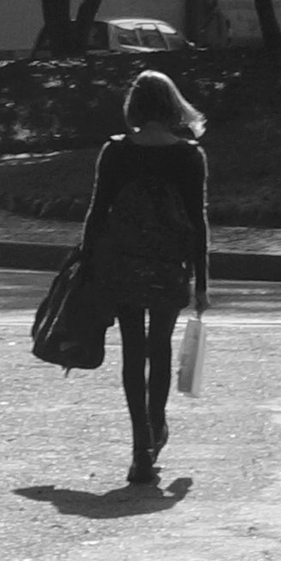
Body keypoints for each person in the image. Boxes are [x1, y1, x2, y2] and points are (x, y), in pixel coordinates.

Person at [76, 69, 211, 486]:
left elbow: (98, 212)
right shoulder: (189, 156)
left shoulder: (116, 152)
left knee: (133, 352)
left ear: (134, 106)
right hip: (169, 267)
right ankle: (157, 427)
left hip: (124, 265)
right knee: (160, 349)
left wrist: (86, 263)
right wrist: (203, 282)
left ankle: (140, 450)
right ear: (172, 106)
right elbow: (197, 221)